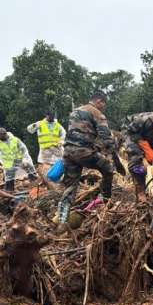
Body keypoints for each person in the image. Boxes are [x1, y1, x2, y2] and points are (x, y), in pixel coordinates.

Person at [57, 91, 115, 225]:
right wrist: (114, 157)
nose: (103, 107)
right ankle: (107, 202)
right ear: (99, 101)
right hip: (84, 153)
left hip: (68, 153)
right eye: (103, 104)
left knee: (70, 186)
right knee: (109, 169)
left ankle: (62, 220)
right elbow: (106, 138)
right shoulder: (97, 113)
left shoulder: (75, 111)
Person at [0, 127, 39, 192]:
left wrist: (25, 159)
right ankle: (10, 191)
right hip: (8, 163)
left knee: (29, 167)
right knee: (9, 177)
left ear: (3, 134)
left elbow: (24, 150)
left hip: (19, 159)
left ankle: (36, 183)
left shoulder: (15, 140)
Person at [26, 111, 66, 182]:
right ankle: (50, 181)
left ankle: (59, 180)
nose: (51, 118)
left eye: (53, 117)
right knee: (46, 166)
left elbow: (63, 133)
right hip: (45, 149)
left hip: (56, 148)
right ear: (46, 116)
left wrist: (61, 141)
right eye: (50, 116)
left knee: (58, 164)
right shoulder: (40, 123)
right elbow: (30, 129)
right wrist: (34, 125)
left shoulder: (57, 125)